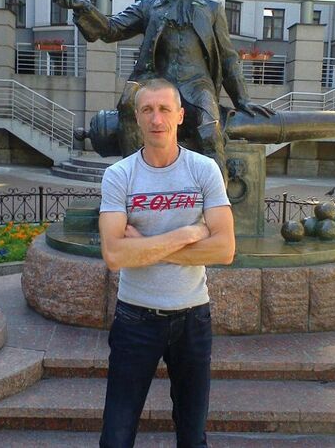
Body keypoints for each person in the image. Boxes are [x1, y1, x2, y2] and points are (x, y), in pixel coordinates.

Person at [53, 0, 273, 182]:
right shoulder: (148, 7)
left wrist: (242, 99)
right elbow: (111, 30)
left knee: (210, 132)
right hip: (155, 82)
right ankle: (136, 185)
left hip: (197, 86)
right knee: (128, 104)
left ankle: (216, 196)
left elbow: (228, 57)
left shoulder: (212, 9)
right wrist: (82, 7)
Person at [98, 78, 235, 447]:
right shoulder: (119, 176)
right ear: (137, 117)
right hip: (135, 319)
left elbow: (224, 249)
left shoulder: (204, 170)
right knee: (116, 435)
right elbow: (114, 255)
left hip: (193, 319)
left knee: (192, 436)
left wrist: (145, 249)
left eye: (164, 109)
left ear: (180, 115)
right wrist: (188, 234)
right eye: (147, 110)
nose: (156, 118)